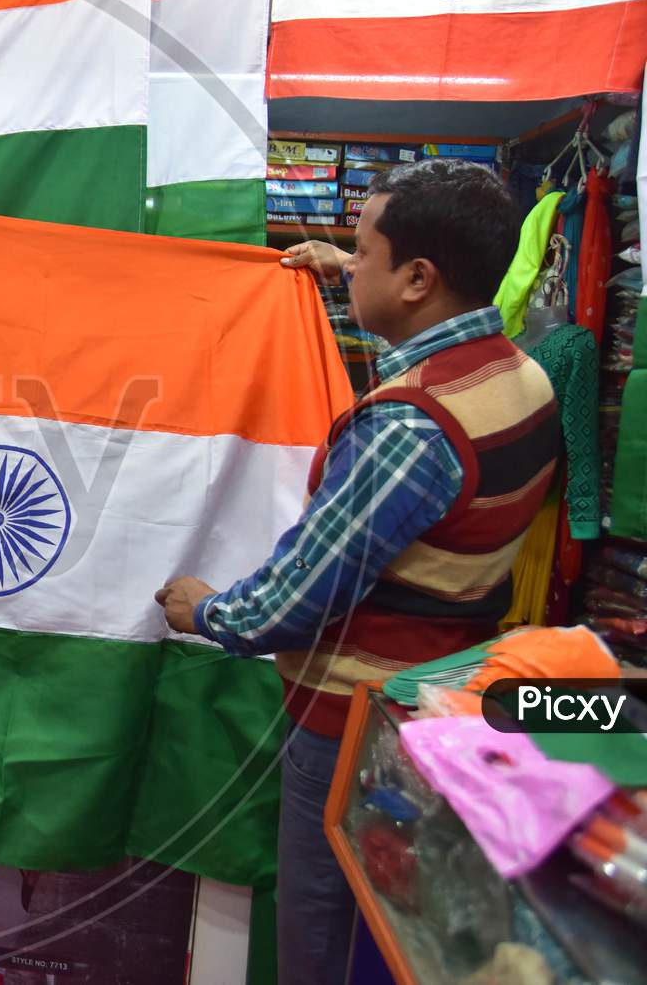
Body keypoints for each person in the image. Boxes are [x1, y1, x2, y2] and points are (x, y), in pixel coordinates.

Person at [155, 160, 560, 984]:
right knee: (393, 918)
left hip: (352, 731)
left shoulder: (409, 429)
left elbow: (290, 605)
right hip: (436, 698)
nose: (351, 258)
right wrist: (345, 278)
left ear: (418, 278)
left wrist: (204, 610)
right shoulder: (522, 376)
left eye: (364, 250)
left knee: (323, 939)